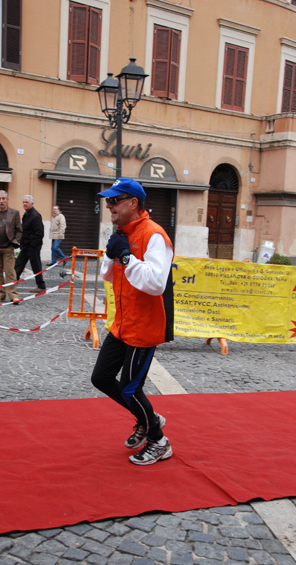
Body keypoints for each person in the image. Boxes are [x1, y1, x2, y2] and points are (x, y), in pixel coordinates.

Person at [91, 178, 174, 466]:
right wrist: (114, 256)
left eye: (115, 200)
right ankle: (147, 418)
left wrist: (125, 257)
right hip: (122, 323)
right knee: (100, 378)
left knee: (129, 387)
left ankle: (159, 440)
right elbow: (107, 275)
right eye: (108, 200)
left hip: (144, 327)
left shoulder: (154, 236)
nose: (109, 205)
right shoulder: (121, 232)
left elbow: (155, 284)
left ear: (133, 203)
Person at [15, 195, 46, 293]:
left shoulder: (35, 215)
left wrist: (32, 245)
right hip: (26, 246)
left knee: (36, 266)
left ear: (32, 204)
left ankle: (41, 286)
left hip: (33, 246)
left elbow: (39, 233)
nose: (24, 204)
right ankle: (12, 284)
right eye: (23, 202)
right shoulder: (27, 214)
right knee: (18, 265)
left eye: (26, 202)